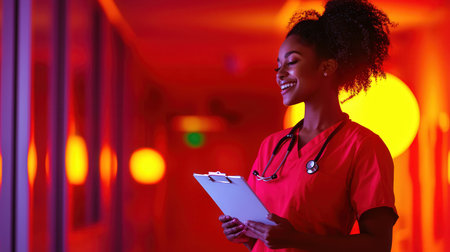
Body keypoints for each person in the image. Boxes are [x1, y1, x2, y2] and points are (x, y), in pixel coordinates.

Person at [218, 0, 399, 251]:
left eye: (291, 62)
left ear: (327, 67)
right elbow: (263, 240)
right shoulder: (272, 146)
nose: (279, 74)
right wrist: (244, 233)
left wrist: (295, 239)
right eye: (278, 65)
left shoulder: (364, 147)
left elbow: (378, 245)